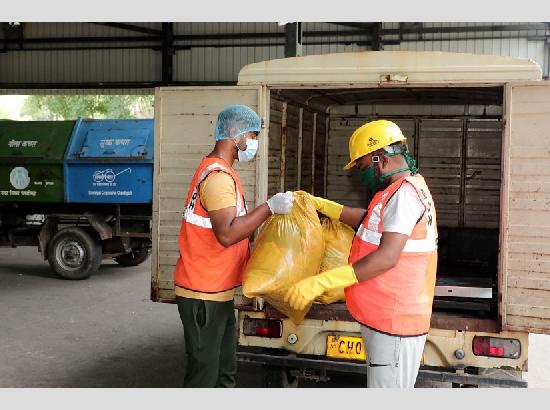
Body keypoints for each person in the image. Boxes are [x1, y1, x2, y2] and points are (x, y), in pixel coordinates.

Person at [285, 119, 438, 388]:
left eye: (363, 165)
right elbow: (368, 220)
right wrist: (321, 205)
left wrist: (323, 281)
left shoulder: (404, 195)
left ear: (379, 156)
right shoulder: (400, 189)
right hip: (385, 317)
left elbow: (387, 256)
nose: (361, 172)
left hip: (394, 321)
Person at [174, 104, 293, 388]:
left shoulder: (224, 172)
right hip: (203, 292)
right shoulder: (217, 179)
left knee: (225, 372)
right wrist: (269, 208)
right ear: (233, 134)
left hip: (217, 291)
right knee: (204, 376)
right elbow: (227, 234)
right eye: (251, 135)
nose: (253, 143)